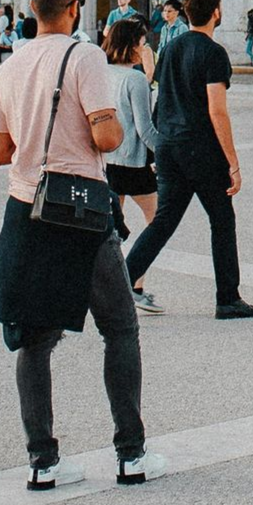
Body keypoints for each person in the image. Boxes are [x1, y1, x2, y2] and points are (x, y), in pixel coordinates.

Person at [0, 0, 165, 489]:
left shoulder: (10, 64)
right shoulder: (84, 56)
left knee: (34, 340)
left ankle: (43, 462)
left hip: (25, 207)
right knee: (120, 328)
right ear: (73, 9)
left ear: (33, 10)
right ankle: (130, 454)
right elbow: (107, 136)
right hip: (80, 207)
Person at [120, 0, 253, 320]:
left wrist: (156, 151)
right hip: (200, 148)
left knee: (164, 221)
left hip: (170, 146)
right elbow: (217, 111)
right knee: (222, 220)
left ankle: (122, 280)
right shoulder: (213, 53)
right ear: (216, 12)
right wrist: (233, 162)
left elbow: (161, 101)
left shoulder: (171, 49)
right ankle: (227, 298)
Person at [101, 17, 164, 315]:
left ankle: (111, 287)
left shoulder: (103, 73)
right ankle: (134, 285)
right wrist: (168, 152)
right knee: (158, 221)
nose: (145, 47)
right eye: (142, 42)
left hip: (107, 159)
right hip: (132, 162)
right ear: (131, 45)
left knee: (112, 226)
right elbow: (145, 129)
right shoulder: (136, 79)